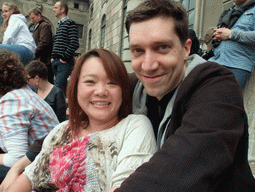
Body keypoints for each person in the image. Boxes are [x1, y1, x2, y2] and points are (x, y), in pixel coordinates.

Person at [115, 0, 255, 191]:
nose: (148, 65)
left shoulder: (219, 86)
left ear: (186, 49)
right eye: (138, 51)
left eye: (162, 47)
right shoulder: (131, 86)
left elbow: (185, 161)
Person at [6, 49, 157, 192]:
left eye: (112, 83)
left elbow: (126, 186)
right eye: (90, 82)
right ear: (76, 88)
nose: (101, 92)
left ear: (123, 90)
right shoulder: (62, 130)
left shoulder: (134, 126)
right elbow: (30, 176)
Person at [0, 49, 59, 184]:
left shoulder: (12, 101)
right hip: (46, 162)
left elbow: (16, 159)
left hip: (45, 171)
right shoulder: (22, 93)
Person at [208, 0, 255, 89]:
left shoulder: (254, 9)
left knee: (224, 101)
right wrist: (218, 35)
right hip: (215, 61)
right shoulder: (229, 11)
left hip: (236, 66)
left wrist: (231, 35)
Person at [51, 1, 79, 94]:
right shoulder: (60, 26)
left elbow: (74, 43)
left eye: (55, 7)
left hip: (63, 62)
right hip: (56, 62)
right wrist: (53, 57)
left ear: (62, 10)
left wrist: (64, 58)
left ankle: (56, 109)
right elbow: (57, 43)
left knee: (57, 89)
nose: (53, 9)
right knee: (60, 90)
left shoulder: (70, 23)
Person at [28, 8, 54, 84]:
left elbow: (44, 42)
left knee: (46, 84)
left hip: (44, 61)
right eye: (31, 18)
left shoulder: (45, 26)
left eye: (33, 18)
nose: (32, 20)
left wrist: (34, 53)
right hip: (39, 61)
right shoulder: (39, 27)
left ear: (39, 15)